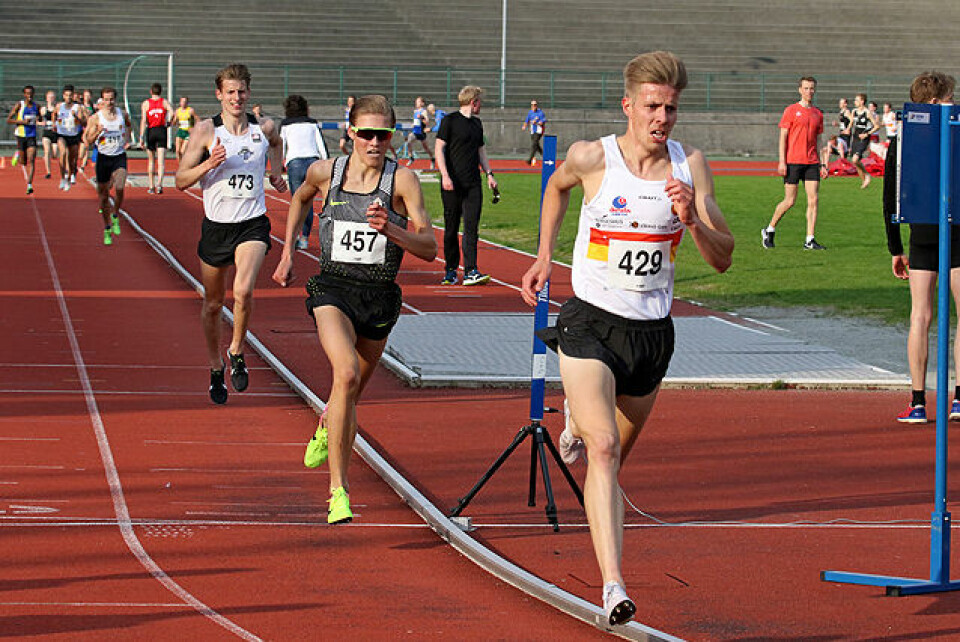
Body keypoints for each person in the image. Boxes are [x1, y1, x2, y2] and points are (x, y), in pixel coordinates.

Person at [520, 51, 733, 626]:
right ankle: (613, 587)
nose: (662, 118)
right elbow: (555, 189)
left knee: (609, 461)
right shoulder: (594, 158)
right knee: (606, 449)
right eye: (652, 106)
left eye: (671, 108)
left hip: (651, 337)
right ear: (628, 106)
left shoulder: (690, 166)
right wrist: (544, 255)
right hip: (589, 323)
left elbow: (723, 258)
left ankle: (574, 422)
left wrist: (692, 220)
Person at [272, 94, 437, 524]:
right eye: (366, 133)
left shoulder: (402, 181)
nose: (374, 142)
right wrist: (288, 252)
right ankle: (338, 491)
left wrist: (391, 231)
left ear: (392, 135)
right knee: (344, 374)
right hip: (333, 287)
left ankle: (327, 423)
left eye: (383, 134)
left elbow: (429, 247)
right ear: (351, 133)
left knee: (350, 393)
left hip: (379, 296)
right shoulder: (325, 172)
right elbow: (299, 198)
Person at [175, 63, 287, 405]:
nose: (236, 98)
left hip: (252, 223)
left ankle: (237, 348)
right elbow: (180, 180)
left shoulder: (263, 127)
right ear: (219, 95)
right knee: (212, 304)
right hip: (216, 227)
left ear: (248, 93)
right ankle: (215, 366)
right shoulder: (205, 131)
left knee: (243, 290)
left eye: (241, 91)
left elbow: (276, 142)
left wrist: (276, 172)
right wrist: (209, 164)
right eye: (230, 92)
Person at [883, 71, 960, 424]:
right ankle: (928, 400)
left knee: (921, 316)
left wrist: (895, 247)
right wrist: (896, 247)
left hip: (929, 234)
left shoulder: (903, 138)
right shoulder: (951, 133)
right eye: (949, 98)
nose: (953, 103)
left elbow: (890, 198)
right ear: (933, 102)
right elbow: (892, 196)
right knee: (922, 315)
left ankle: (922, 401)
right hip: (941, 232)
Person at [435, 85, 498, 286]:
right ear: (474, 102)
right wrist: (445, 176)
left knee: (471, 228)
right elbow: (439, 149)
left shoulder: (477, 124)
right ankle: (451, 270)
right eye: (480, 102)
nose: (481, 105)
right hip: (452, 184)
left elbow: (481, 152)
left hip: (473, 184)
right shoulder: (450, 121)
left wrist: (489, 174)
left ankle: (471, 270)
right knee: (451, 228)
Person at [761, 76, 828, 250]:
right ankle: (769, 229)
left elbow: (819, 140)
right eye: (806, 88)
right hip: (793, 161)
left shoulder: (818, 113)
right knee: (790, 201)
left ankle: (810, 239)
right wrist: (782, 161)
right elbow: (783, 137)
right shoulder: (791, 110)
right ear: (800, 90)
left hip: (812, 162)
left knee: (813, 199)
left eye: (812, 88)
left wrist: (822, 164)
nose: (809, 91)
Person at [83, 86, 132, 246]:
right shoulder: (95, 118)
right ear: (102, 101)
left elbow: (129, 125)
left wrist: (127, 139)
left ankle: (115, 214)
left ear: (115, 99)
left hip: (119, 156)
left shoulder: (122, 114)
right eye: (106, 99)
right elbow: (87, 140)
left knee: (120, 187)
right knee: (103, 196)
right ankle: (107, 227)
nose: (109, 102)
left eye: (111, 99)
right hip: (103, 158)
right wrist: (97, 132)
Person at [279, 94, 329, 249]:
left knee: (298, 202)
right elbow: (321, 145)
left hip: (294, 163)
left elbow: (281, 144)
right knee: (309, 202)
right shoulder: (312, 123)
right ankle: (305, 238)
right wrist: (326, 162)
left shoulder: (285, 125)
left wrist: (280, 164)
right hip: (312, 163)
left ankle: (294, 237)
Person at [140, 83, 174, 194]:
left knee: (151, 161)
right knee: (161, 161)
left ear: (151, 91)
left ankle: (151, 185)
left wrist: (141, 136)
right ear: (160, 91)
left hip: (151, 131)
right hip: (161, 130)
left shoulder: (146, 103)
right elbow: (172, 112)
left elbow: (144, 120)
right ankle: (159, 184)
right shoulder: (164, 102)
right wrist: (169, 122)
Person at [6, 85, 40, 194]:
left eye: (31, 93)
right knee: (23, 161)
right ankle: (18, 154)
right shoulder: (19, 105)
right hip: (21, 135)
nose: (29, 95)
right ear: (24, 94)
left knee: (32, 159)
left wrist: (39, 119)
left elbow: (39, 118)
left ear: (34, 94)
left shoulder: (36, 106)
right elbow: (9, 120)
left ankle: (29, 184)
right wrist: (22, 122)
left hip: (31, 136)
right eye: (27, 93)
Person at [54, 84, 85, 191]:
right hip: (62, 134)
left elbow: (83, 122)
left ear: (73, 96)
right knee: (63, 153)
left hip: (74, 135)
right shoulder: (59, 106)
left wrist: (76, 116)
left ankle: (69, 177)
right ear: (63, 96)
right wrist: (54, 123)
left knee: (72, 160)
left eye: (70, 95)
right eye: (66, 95)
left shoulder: (77, 107)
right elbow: (54, 114)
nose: (68, 97)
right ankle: (62, 177)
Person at [849, 93, 880, 189]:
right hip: (855, 137)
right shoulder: (854, 111)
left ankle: (867, 175)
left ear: (862, 101)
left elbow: (877, 126)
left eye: (856, 100)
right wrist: (847, 129)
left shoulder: (867, 112)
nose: (855, 102)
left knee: (855, 159)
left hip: (864, 138)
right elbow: (851, 122)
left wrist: (867, 134)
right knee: (856, 162)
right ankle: (864, 182)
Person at [399, 96, 434, 167]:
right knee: (408, 142)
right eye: (416, 102)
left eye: (418, 102)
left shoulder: (424, 111)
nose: (416, 103)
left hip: (421, 132)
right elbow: (415, 123)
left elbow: (427, 122)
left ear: (422, 103)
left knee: (426, 148)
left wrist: (422, 117)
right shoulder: (415, 111)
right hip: (415, 132)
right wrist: (407, 128)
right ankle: (411, 158)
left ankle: (432, 159)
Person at [39, 89, 59, 180]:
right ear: (46, 98)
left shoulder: (57, 108)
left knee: (55, 154)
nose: (51, 99)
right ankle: (48, 172)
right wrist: (41, 123)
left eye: (52, 97)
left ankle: (52, 156)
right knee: (47, 151)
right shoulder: (43, 109)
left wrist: (57, 124)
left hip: (55, 133)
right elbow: (37, 120)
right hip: (46, 132)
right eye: (49, 97)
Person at [522, 99, 547, 166]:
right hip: (533, 130)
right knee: (536, 145)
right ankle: (545, 156)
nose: (533, 106)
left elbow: (543, 121)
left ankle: (530, 160)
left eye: (535, 105)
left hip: (539, 130)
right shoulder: (530, 112)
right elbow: (527, 120)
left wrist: (537, 122)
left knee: (534, 144)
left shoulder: (540, 113)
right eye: (532, 105)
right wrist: (524, 126)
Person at [77, 88, 96, 172]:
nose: (87, 97)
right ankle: (81, 161)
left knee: (86, 146)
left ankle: (83, 165)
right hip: (82, 128)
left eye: (88, 96)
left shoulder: (93, 106)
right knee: (80, 153)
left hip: (90, 129)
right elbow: (80, 117)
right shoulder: (80, 106)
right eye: (86, 96)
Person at [174, 96, 197, 161]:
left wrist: (194, 127)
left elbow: (196, 118)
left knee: (182, 151)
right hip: (180, 131)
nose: (183, 103)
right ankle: (180, 164)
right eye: (182, 102)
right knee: (178, 151)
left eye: (185, 102)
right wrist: (174, 122)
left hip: (188, 132)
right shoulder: (177, 111)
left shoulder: (190, 110)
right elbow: (174, 121)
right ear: (180, 102)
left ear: (187, 103)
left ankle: (184, 164)